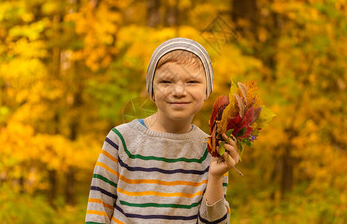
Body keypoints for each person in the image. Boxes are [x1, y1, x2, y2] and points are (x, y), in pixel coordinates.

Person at [85, 37, 240, 223]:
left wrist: (215, 176)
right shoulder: (121, 140)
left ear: (207, 90)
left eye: (192, 82)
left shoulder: (212, 149)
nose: (179, 91)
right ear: (152, 90)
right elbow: (98, 210)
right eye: (166, 81)